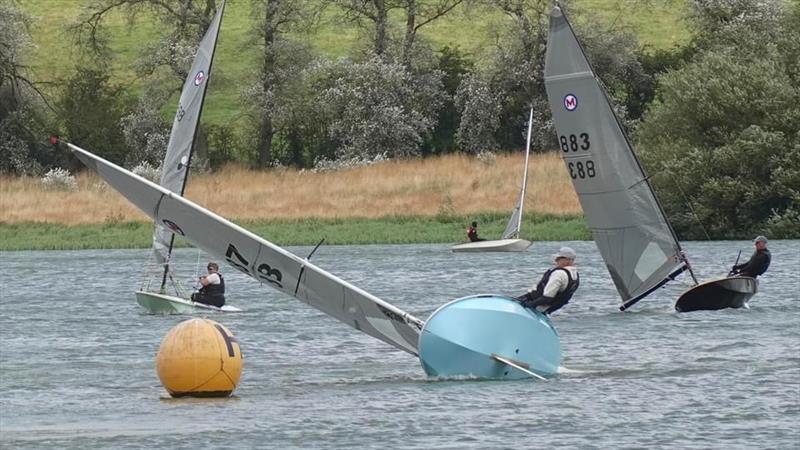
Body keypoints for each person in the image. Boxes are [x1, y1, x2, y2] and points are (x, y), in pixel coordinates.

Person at [515, 247, 580, 315]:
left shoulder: (559, 273)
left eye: (558, 258)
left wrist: (529, 305)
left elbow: (547, 297)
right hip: (549, 309)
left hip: (538, 308)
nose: (556, 260)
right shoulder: (575, 274)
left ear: (568, 260)